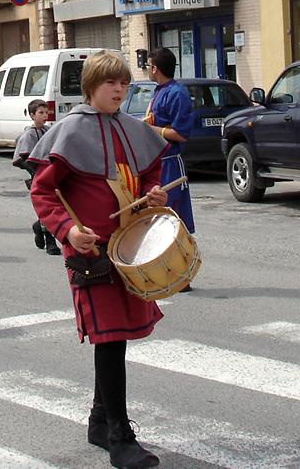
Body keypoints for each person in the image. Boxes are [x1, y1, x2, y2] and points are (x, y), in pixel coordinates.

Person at [29, 51, 167, 469]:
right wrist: (68, 231)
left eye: (124, 84)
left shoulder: (132, 128)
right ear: (91, 87)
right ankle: (119, 436)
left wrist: (155, 191)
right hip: (89, 252)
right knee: (110, 338)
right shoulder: (70, 131)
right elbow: (42, 191)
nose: (120, 90)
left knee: (117, 334)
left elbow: (148, 174)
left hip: (129, 248)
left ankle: (98, 420)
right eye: (111, 84)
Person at [144, 47, 195, 292]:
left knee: (175, 220)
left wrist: (154, 130)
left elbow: (182, 134)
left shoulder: (177, 94)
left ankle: (183, 274)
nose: (147, 69)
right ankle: (167, 270)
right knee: (159, 219)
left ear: (156, 68)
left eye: (149, 65)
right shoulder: (160, 91)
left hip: (171, 163)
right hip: (156, 162)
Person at [13, 99, 61, 255]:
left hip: (52, 175)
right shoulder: (28, 135)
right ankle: (50, 242)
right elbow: (20, 159)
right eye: (41, 113)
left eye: (46, 112)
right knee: (45, 207)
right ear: (32, 115)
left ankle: (37, 227)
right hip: (38, 177)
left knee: (56, 206)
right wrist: (34, 172)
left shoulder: (48, 131)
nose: (45, 116)